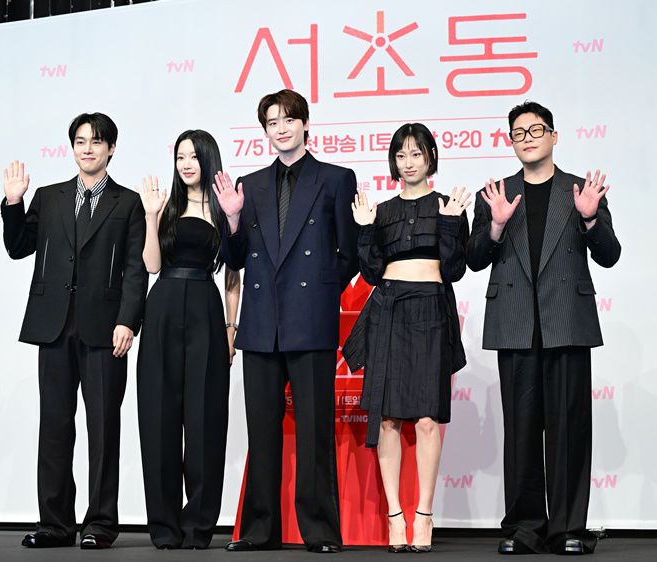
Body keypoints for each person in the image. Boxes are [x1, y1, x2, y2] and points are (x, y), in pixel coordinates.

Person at [466, 101, 621, 555]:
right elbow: (473, 258)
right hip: (515, 323)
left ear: (554, 136)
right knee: (521, 430)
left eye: (536, 130)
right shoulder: (494, 193)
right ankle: (525, 528)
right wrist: (495, 227)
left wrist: (590, 218)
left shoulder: (581, 190)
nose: (528, 138)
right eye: (519, 133)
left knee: (569, 428)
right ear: (510, 142)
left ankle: (569, 528)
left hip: (566, 321)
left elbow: (610, 254)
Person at [212, 89, 359, 554]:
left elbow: (350, 252)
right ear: (265, 131)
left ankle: (320, 530)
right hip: (260, 324)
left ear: (305, 123)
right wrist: (231, 221)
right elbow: (235, 258)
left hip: (310, 320)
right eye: (272, 122)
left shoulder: (335, 178)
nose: (281, 128)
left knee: (315, 431)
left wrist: (320, 292)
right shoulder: (250, 185)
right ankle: (260, 529)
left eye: (288, 119)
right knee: (262, 432)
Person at [0, 113, 147, 549]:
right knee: (55, 425)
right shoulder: (48, 197)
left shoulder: (128, 202)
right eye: (81, 141)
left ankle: (100, 523)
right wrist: (13, 203)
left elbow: (136, 269)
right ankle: (55, 524)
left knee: (103, 428)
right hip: (54, 326)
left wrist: (128, 320)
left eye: (96, 142)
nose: (88, 148)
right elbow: (18, 247)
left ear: (111, 149)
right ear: (72, 147)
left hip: (106, 329)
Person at [342, 123, 469, 553]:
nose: (408, 163)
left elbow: (454, 270)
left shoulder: (448, 206)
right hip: (390, 311)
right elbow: (371, 273)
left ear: (431, 156)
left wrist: (450, 224)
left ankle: (424, 514)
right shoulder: (381, 211)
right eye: (401, 155)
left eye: (416, 154)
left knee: (428, 419)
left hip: (431, 309)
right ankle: (395, 515)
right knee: (388, 419)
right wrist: (364, 229)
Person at [136, 129, 240, 550]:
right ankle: (164, 526)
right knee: (158, 419)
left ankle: (198, 525)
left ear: (208, 159)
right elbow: (151, 265)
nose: (186, 164)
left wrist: (231, 329)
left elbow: (232, 274)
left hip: (205, 309)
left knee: (205, 420)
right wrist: (150, 216)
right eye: (180, 156)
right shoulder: (165, 204)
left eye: (194, 156)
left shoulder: (224, 206)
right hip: (162, 307)